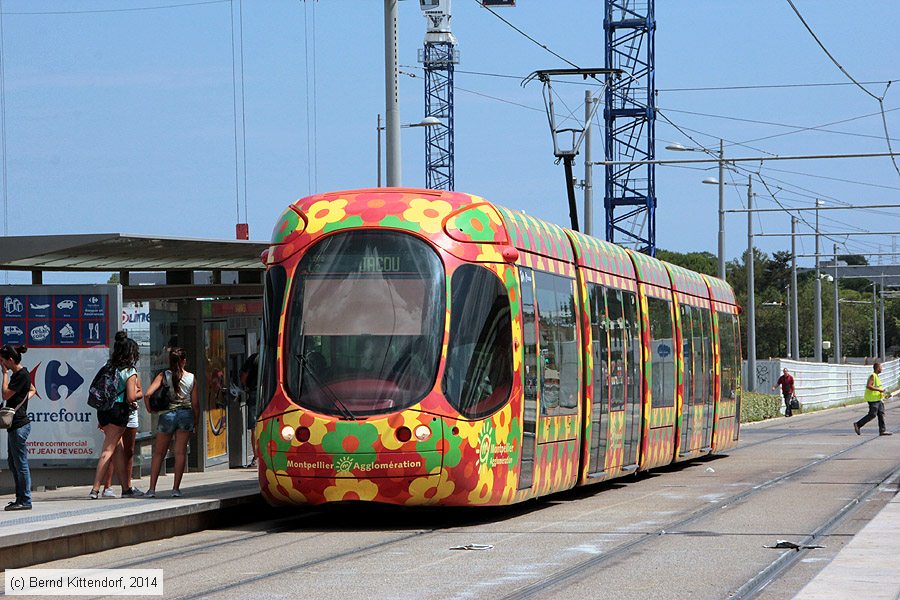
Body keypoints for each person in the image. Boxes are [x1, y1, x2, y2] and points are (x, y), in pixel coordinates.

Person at [89, 332, 143, 499]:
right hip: (118, 411)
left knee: (118, 449)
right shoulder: (129, 371)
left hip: (103, 411)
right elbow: (131, 397)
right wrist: (139, 394)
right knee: (108, 450)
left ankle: (126, 488)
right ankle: (95, 489)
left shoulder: (108, 366)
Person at [143, 347, 198, 497]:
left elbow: (147, 394)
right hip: (185, 415)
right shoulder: (191, 378)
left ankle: (152, 489)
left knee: (159, 453)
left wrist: (150, 410)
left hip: (167, 415)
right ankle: (175, 489)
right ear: (184, 361)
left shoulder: (163, 375)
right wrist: (196, 422)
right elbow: (195, 404)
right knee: (180, 453)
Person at [1, 344, 33, 511]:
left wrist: (5, 374)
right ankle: (20, 497)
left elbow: (5, 394)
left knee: (20, 463)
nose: (2, 364)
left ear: (10, 360)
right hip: (16, 425)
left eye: (3, 361)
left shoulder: (20, 375)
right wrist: (22, 402)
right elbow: (33, 390)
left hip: (20, 425)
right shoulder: (21, 375)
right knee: (13, 463)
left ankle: (25, 499)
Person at [853, 361, 892, 436]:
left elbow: (877, 387)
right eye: (881, 367)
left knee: (881, 414)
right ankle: (858, 424)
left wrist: (883, 394)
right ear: (877, 368)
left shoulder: (877, 376)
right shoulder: (873, 376)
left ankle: (882, 431)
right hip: (873, 399)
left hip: (878, 399)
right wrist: (880, 390)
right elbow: (869, 386)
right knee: (872, 414)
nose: (882, 369)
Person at [239, 343, 260, 468]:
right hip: (271, 394)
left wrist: (247, 387)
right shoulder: (275, 358)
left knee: (254, 427)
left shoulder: (253, 359)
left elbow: (244, 376)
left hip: (255, 393)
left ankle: (257, 457)